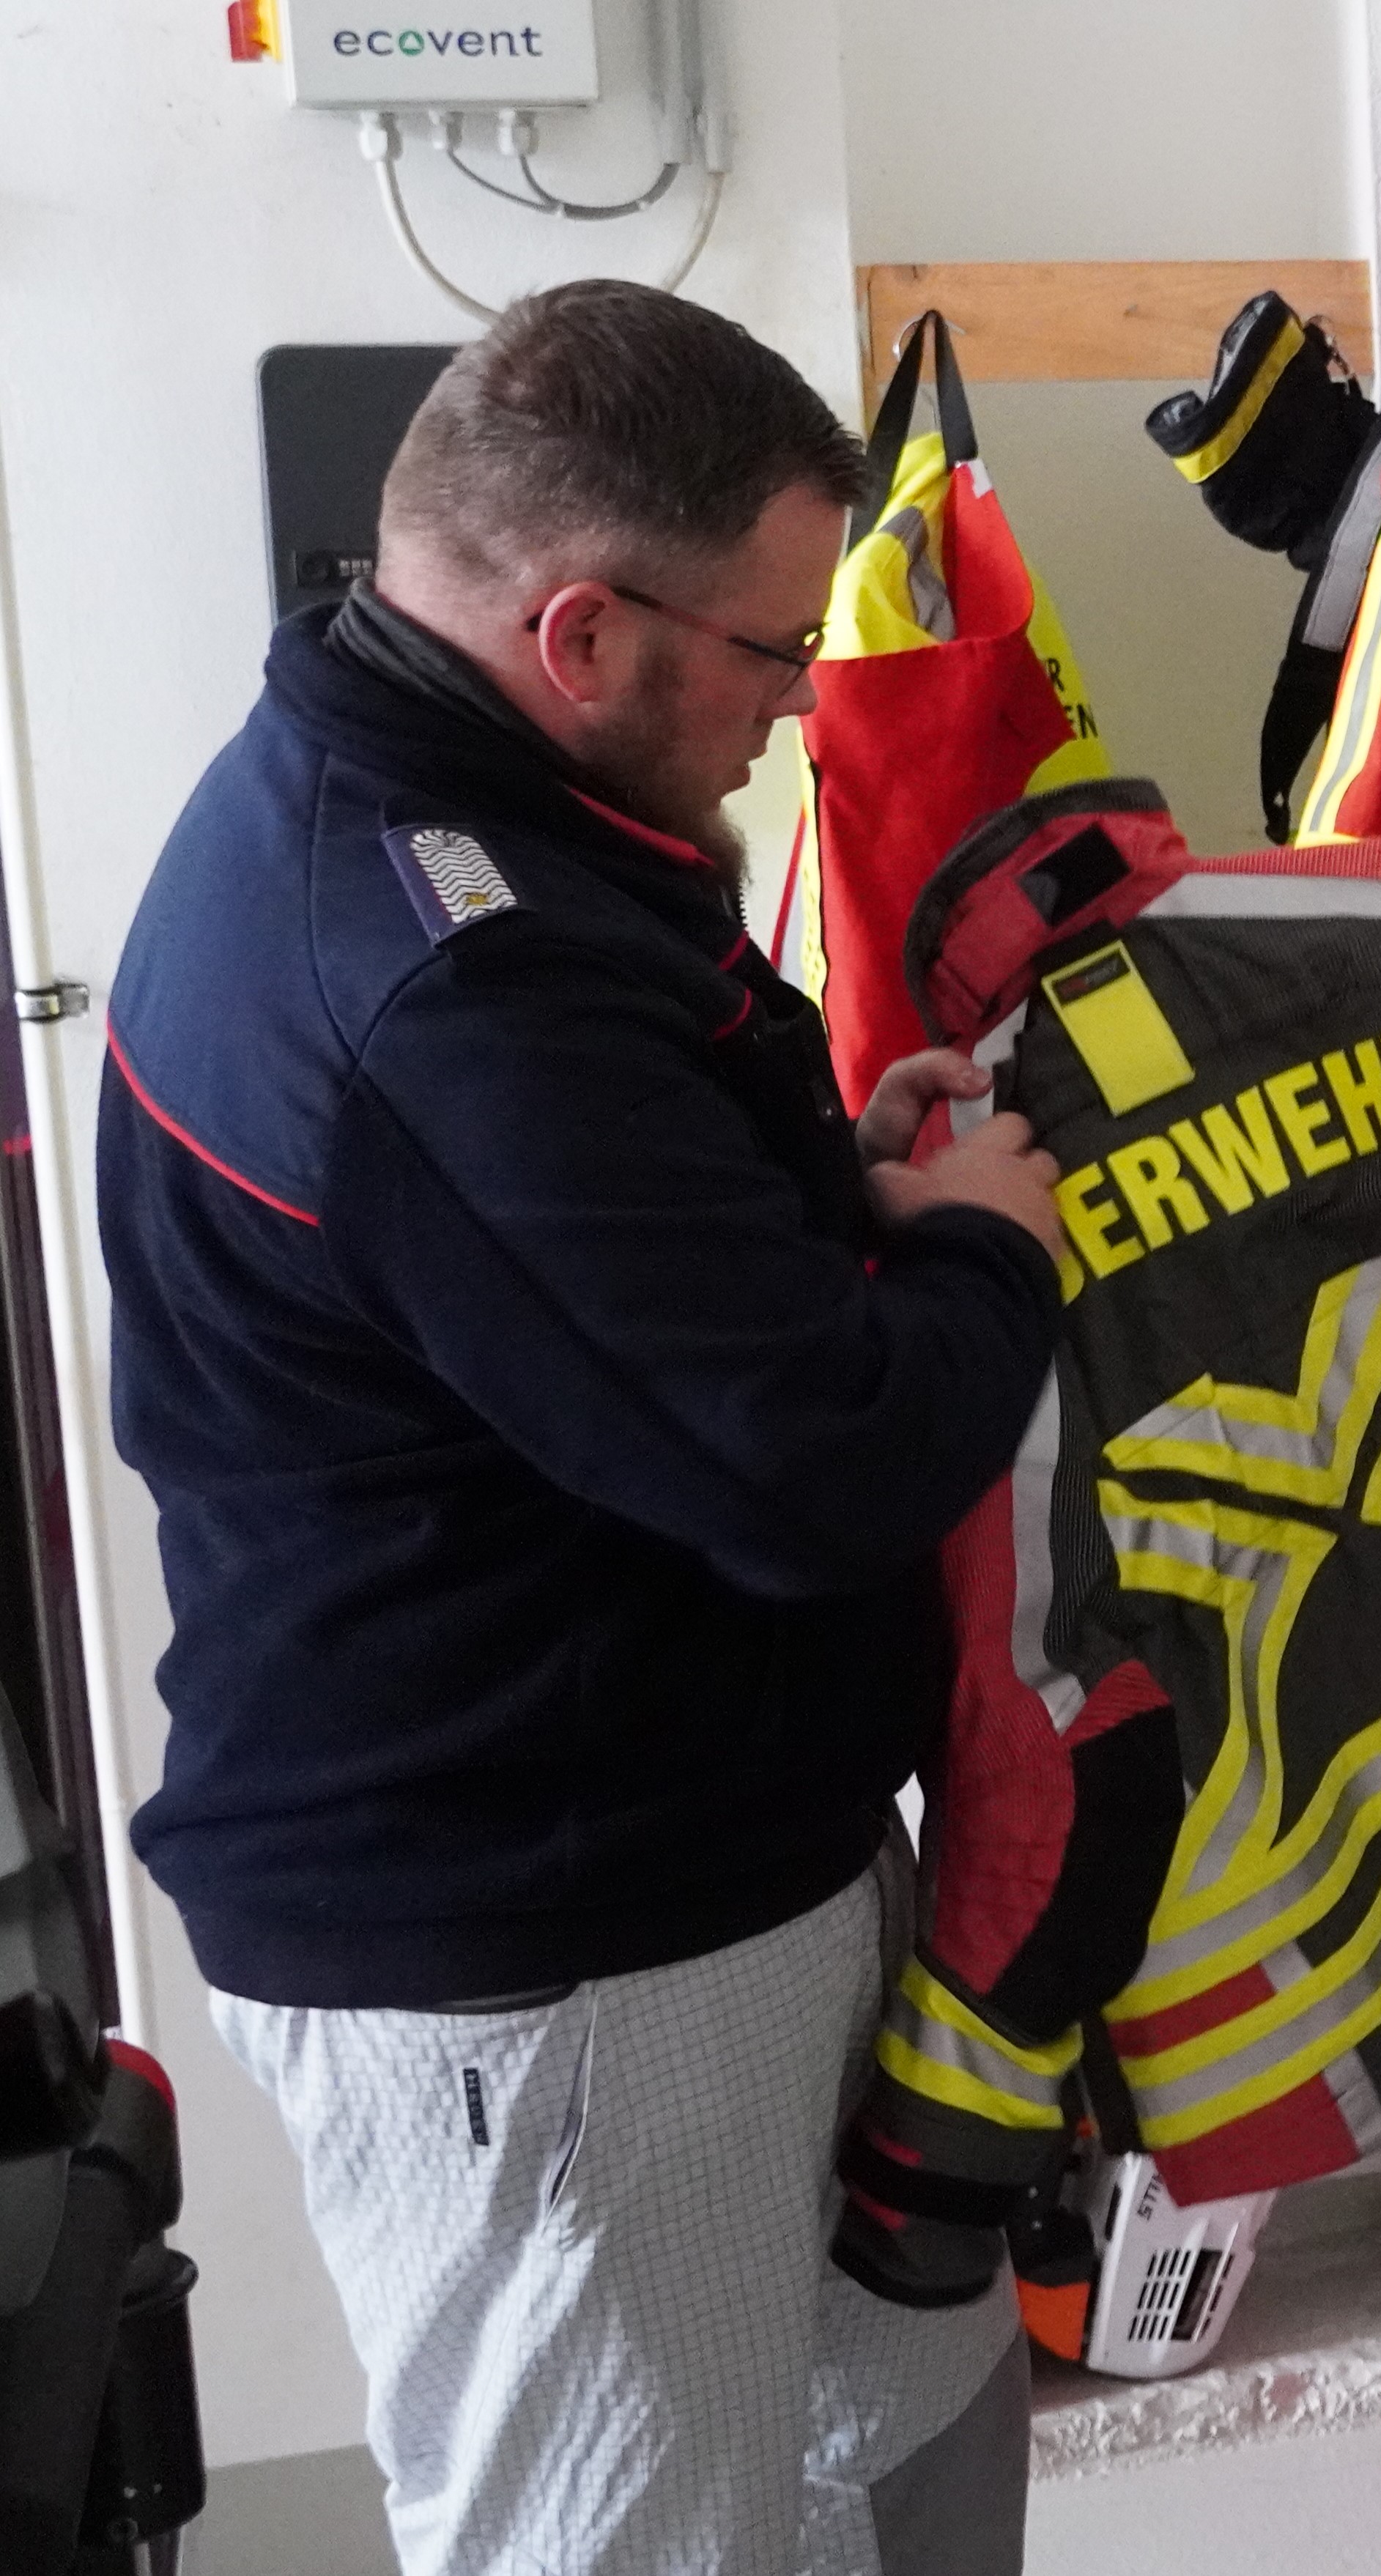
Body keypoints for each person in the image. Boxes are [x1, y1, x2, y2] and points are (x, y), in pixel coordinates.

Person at [98, 282, 1067, 2575]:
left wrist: (828, 1184)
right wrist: (985, 1253)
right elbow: (806, 1460)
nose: (791, 707)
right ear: (580, 630)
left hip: (708, 1864)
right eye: (768, 653)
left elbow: (567, 1263)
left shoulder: (466, 816)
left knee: (902, 2458)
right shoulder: (441, 976)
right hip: (551, 1970)